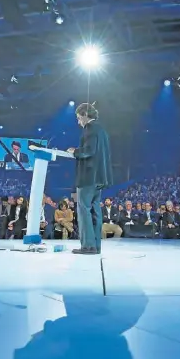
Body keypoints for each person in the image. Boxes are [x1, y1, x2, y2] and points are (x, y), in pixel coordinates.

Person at [66, 103, 113, 255]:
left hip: (88, 177)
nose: (78, 122)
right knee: (95, 211)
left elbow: (88, 151)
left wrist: (75, 151)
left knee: (83, 210)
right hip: (100, 178)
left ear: (85, 114)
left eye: (79, 118)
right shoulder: (102, 130)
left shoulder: (90, 129)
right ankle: (96, 246)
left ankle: (87, 246)